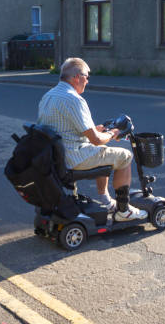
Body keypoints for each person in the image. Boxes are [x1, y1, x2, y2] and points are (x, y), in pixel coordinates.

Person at [37, 57, 147, 221]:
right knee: (125, 156)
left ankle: (106, 200)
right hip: (74, 158)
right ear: (76, 77)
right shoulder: (74, 99)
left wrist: (97, 129)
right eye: (86, 77)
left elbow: (65, 129)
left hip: (56, 157)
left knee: (104, 153)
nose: (87, 81)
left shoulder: (48, 96)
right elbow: (96, 140)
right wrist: (113, 133)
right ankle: (124, 211)